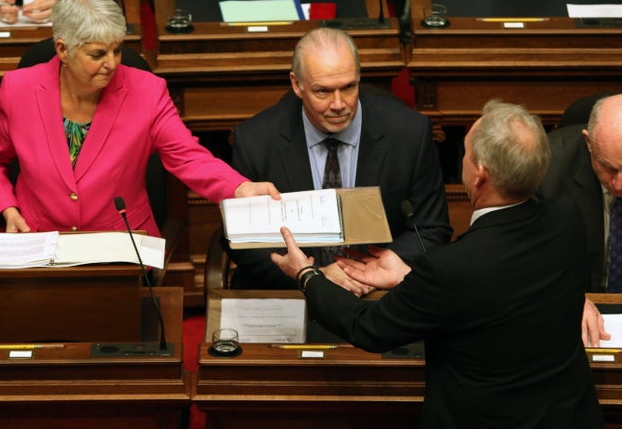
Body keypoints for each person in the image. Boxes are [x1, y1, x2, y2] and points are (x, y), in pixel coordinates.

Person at [271, 100, 604, 428]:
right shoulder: (568, 218)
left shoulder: (450, 268)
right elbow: (501, 289)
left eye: (467, 154)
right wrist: (413, 280)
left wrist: (306, 275)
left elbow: (368, 327)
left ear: (479, 177)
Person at [0, 0, 279, 237]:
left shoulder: (147, 91)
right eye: (97, 54)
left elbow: (187, 156)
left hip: (121, 244)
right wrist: (6, 209)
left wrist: (239, 187)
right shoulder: (19, 88)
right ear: (63, 49)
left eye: (117, 50)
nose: (112, 63)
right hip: (38, 241)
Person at [227, 27, 452, 292]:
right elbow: (240, 241)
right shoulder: (255, 141)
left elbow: (431, 227)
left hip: (380, 294)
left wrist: (386, 264)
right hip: (294, 294)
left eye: (348, 87)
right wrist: (310, 275)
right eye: (323, 91)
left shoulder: (409, 133)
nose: (338, 104)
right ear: (296, 84)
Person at [538, 93, 622, 347]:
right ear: (588, 143)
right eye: (609, 168)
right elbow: (526, 257)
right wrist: (568, 297)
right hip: (575, 318)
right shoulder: (547, 171)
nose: (620, 184)